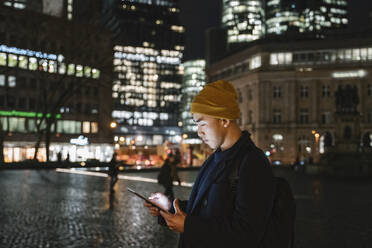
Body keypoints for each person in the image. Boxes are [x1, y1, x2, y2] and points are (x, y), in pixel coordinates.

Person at [144, 80, 275, 248]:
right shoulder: (214, 159)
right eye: (197, 124)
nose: (199, 132)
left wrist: (188, 226)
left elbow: (247, 233)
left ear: (225, 119)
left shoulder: (253, 163)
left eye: (203, 123)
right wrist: (168, 207)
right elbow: (202, 209)